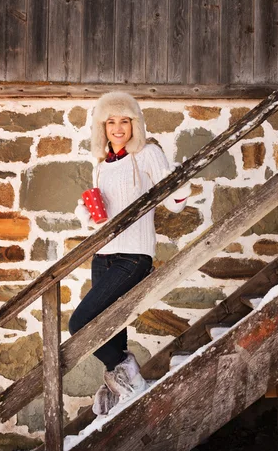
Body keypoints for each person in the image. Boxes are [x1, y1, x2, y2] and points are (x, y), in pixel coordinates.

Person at [69, 91, 190, 416]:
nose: (118, 128)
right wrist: (86, 211)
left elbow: (175, 201)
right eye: (111, 122)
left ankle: (130, 380)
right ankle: (118, 388)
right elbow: (100, 215)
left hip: (133, 256)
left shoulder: (147, 154)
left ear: (134, 124)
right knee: (111, 332)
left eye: (124, 121)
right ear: (103, 127)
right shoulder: (102, 165)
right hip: (103, 255)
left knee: (80, 322)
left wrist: (179, 185)